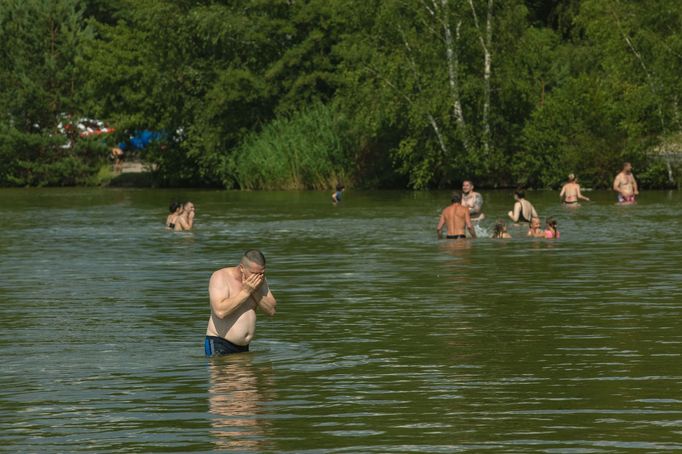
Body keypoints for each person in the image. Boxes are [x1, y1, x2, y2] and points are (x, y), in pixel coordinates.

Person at [205, 250, 277, 356]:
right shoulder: (220, 277)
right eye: (254, 273)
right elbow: (220, 311)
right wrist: (246, 292)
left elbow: (271, 311)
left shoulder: (259, 280)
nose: (258, 277)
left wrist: (255, 290)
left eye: (262, 273)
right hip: (219, 343)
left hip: (244, 347)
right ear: (242, 268)